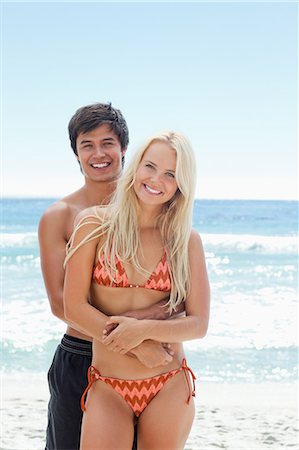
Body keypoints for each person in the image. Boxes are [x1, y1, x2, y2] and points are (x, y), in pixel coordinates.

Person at [38, 103, 175, 450]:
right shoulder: (60, 216)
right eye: (87, 144)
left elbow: (179, 296)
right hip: (82, 357)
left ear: (124, 148)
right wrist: (138, 337)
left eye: (108, 143)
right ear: (76, 153)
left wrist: (144, 334)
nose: (99, 154)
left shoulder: (158, 212)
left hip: (148, 365)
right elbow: (61, 304)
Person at [63, 131, 210, 449]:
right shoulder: (93, 225)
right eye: (150, 166)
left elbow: (199, 324)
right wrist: (136, 345)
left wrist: (142, 329)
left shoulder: (185, 241)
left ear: (181, 184)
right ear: (136, 167)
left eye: (170, 174)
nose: (156, 179)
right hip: (108, 385)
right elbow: (72, 307)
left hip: (168, 384)